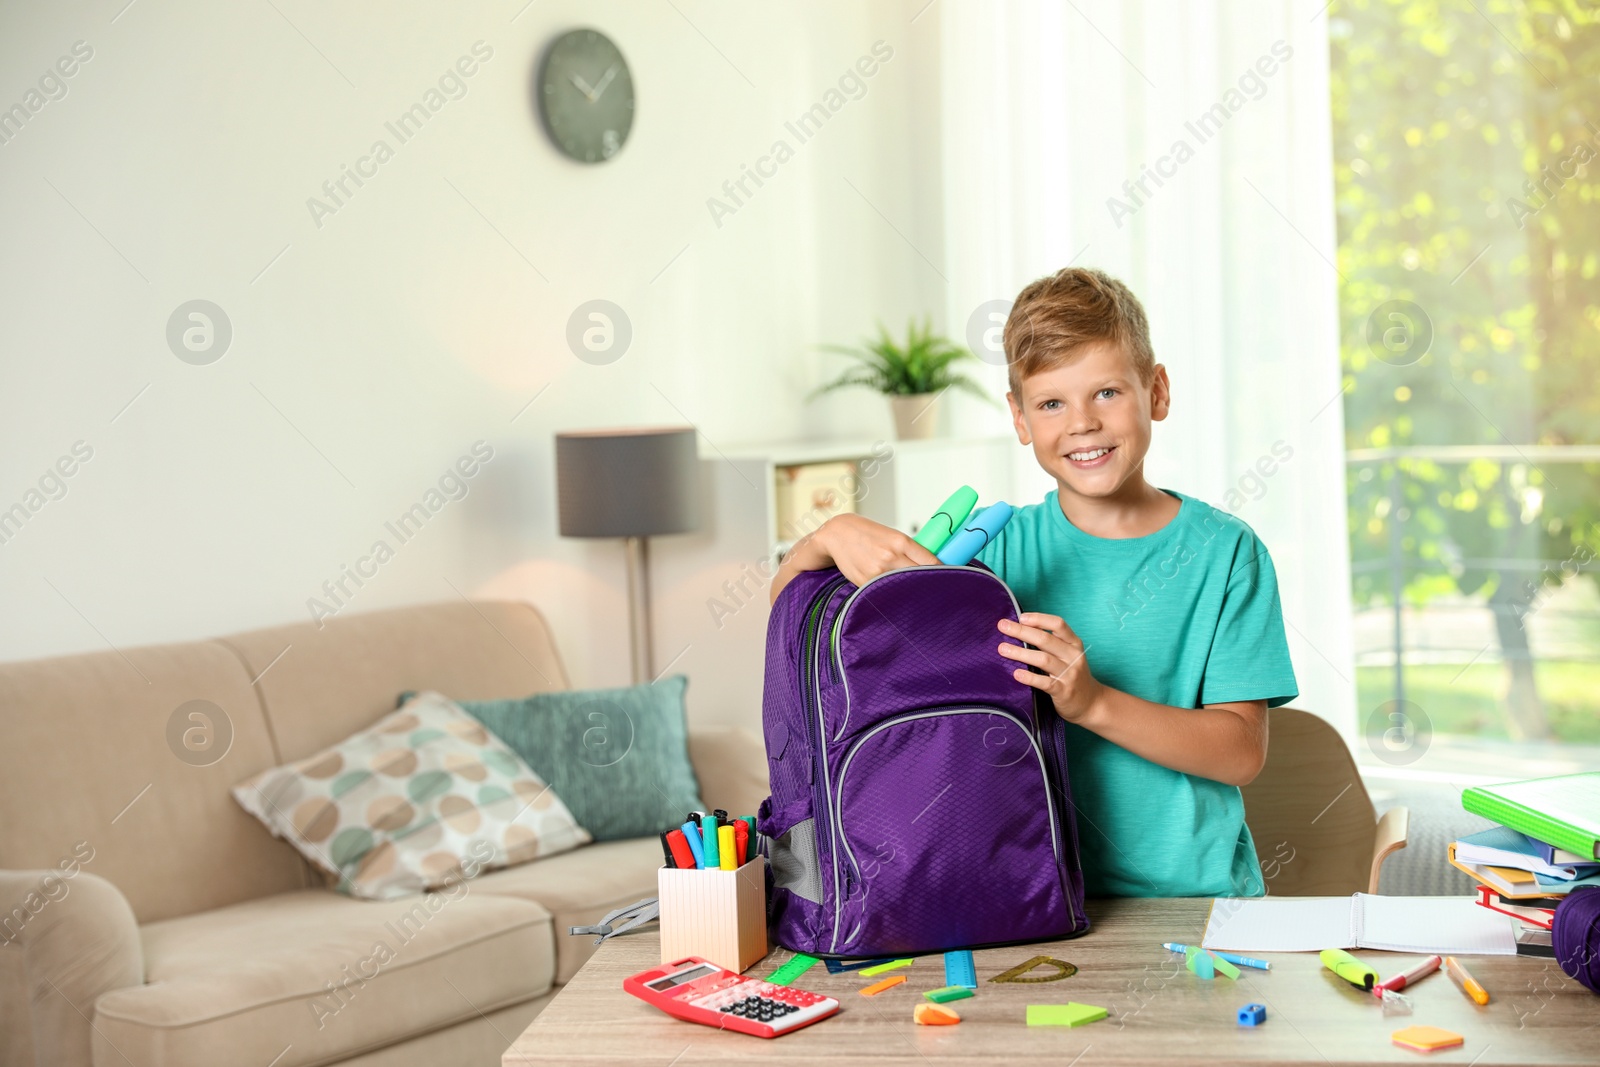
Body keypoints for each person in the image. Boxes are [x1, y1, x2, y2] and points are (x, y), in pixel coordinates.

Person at [768, 267, 1299, 897]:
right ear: (1020, 419)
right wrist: (822, 539)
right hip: (1025, 903)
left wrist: (1093, 703)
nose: (1082, 423)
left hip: (1191, 901)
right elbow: (798, 638)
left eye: (1106, 393)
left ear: (1156, 391)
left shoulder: (1227, 553)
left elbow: (1242, 753)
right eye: (1051, 403)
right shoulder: (992, 554)